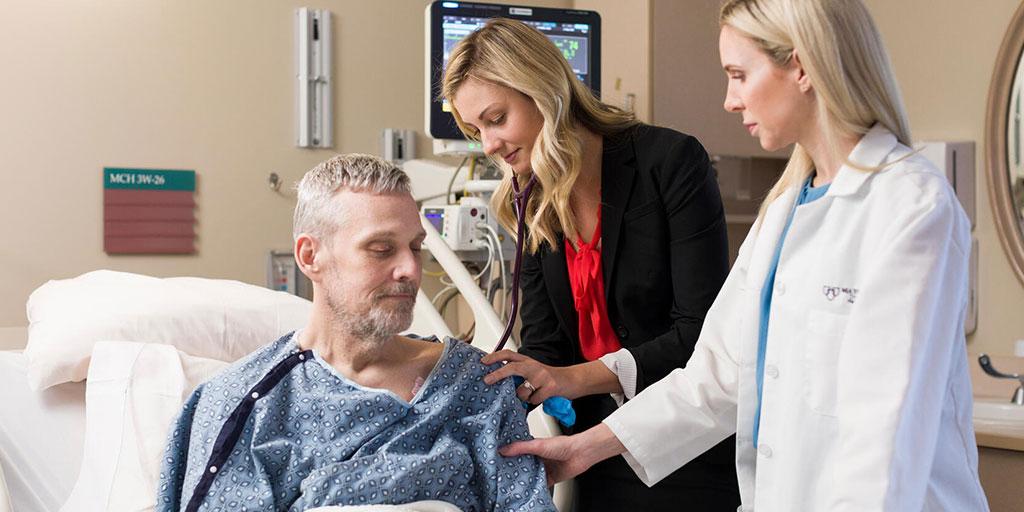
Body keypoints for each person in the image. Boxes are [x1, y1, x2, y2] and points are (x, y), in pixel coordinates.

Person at [499, 1, 991, 510]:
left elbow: (883, 437)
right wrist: (582, 450)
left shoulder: (910, 205)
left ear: (800, 66)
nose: (730, 100)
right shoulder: (783, 211)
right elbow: (714, 380)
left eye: (739, 75)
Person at [443, 18, 740, 511]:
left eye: (497, 119)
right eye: (476, 131)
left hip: (686, 439)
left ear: (542, 90)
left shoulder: (668, 163)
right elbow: (546, 346)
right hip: (590, 448)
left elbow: (699, 336)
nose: (489, 145)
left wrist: (573, 378)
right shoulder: (534, 200)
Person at [156, 154, 555, 512]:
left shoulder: (477, 384)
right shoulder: (247, 406)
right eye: (381, 249)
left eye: (415, 248)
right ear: (310, 257)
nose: (410, 270)